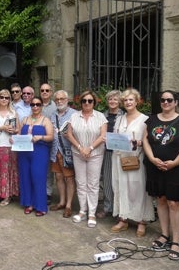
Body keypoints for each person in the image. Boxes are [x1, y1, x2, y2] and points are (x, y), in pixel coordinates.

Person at [142, 90, 179, 260]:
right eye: (163, 100)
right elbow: (145, 141)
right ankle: (164, 234)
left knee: (174, 203)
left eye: (169, 100)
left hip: (177, 168)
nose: (165, 103)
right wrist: (152, 158)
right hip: (155, 166)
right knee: (161, 200)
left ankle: (176, 241)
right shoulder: (151, 119)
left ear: (176, 102)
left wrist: (175, 162)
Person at [110, 88, 154, 237]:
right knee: (120, 187)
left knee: (137, 189)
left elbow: (148, 141)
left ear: (137, 101)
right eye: (126, 100)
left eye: (131, 99)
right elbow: (116, 136)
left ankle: (141, 221)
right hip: (118, 157)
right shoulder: (120, 118)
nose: (128, 102)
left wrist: (139, 142)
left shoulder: (144, 119)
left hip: (135, 159)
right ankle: (123, 219)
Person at [64, 90, 108, 227]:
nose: (87, 103)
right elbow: (69, 134)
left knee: (93, 184)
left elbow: (103, 136)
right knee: (81, 183)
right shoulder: (74, 116)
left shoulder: (100, 117)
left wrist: (89, 148)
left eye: (90, 101)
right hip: (78, 154)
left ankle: (92, 213)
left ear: (94, 102)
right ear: (81, 102)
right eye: (84, 101)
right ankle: (83, 211)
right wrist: (80, 147)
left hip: (95, 154)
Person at [18, 96, 54, 216]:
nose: (35, 107)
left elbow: (51, 137)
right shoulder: (24, 120)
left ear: (41, 106)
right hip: (24, 153)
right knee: (26, 178)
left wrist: (40, 137)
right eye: (33, 104)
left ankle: (41, 206)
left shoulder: (45, 120)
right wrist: (15, 140)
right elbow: (18, 134)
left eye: (38, 104)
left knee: (38, 179)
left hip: (39, 153)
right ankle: (29, 203)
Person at [96, 90, 124, 219]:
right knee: (107, 180)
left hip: (120, 153)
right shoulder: (102, 116)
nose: (112, 102)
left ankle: (120, 210)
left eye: (115, 99)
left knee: (120, 181)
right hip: (106, 151)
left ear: (120, 102)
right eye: (110, 99)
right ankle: (108, 208)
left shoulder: (124, 115)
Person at [49, 90, 77, 218]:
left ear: (67, 100)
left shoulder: (74, 114)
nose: (59, 101)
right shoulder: (52, 115)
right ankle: (61, 202)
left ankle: (69, 205)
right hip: (55, 151)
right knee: (59, 177)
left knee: (69, 178)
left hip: (68, 151)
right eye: (57, 99)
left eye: (62, 99)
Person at [40, 83, 57, 204]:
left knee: (49, 169)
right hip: (37, 141)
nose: (44, 92)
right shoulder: (36, 104)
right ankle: (40, 190)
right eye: (42, 90)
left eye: (47, 90)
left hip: (51, 141)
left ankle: (48, 193)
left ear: (51, 92)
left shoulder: (56, 106)